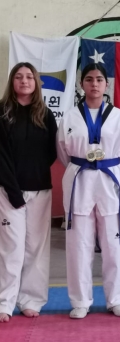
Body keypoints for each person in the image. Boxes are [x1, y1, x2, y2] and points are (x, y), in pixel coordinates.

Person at [57, 63, 120, 319]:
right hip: (80, 179)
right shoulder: (69, 116)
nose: (94, 84)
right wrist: (84, 165)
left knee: (113, 243)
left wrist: (105, 165)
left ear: (106, 85)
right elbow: (62, 152)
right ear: (82, 84)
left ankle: (116, 299)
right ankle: (80, 300)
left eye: (99, 79)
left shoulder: (119, 116)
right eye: (89, 79)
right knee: (79, 243)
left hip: (109, 180)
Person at [0, 62, 57, 323]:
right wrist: (13, 190)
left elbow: (51, 152)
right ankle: (5, 301)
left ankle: (30, 299)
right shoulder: (2, 112)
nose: (24, 81)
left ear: (36, 83)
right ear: (12, 82)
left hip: (40, 190)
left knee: (37, 248)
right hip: (8, 190)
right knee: (11, 247)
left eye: (29, 77)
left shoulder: (45, 115)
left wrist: (35, 176)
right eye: (19, 77)